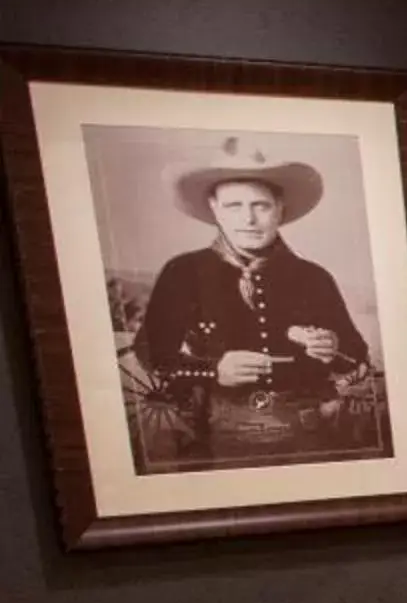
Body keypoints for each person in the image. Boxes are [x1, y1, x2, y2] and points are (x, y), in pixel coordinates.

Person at [132, 140, 372, 465]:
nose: (249, 219)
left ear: (280, 208)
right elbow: (152, 352)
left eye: (261, 206)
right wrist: (213, 370)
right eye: (233, 206)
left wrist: (334, 346)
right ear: (214, 208)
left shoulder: (314, 277)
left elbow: (355, 356)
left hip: (310, 432)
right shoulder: (183, 272)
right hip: (215, 431)